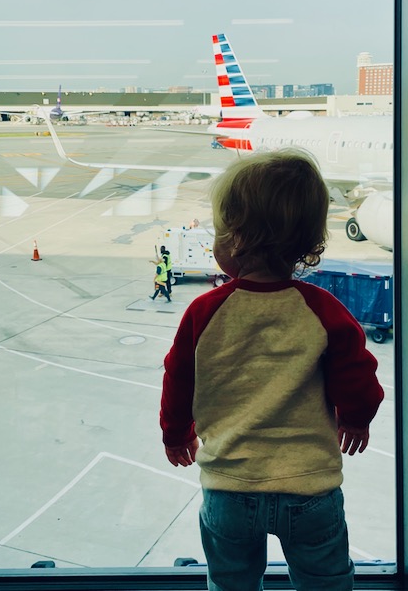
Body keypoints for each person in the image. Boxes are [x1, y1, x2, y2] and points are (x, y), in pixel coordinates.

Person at [159, 149, 384, 591]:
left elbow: (178, 379)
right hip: (311, 489)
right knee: (326, 584)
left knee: (232, 584)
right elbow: (359, 375)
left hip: (229, 488)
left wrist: (176, 433)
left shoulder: (205, 311)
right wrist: (355, 417)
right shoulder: (322, 310)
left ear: (236, 241)